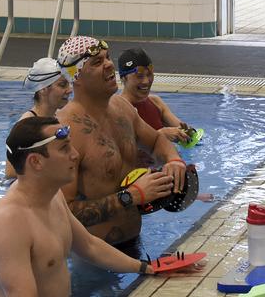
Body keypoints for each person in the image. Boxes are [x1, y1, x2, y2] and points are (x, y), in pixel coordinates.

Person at [0, 117, 153, 296]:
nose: (75, 154)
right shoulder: (8, 224)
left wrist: (145, 267)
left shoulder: (53, 196)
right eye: (64, 148)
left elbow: (89, 246)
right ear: (36, 162)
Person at [54, 36, 188, 249]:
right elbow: (62, 212)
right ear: (76, 77)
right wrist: (131, 196)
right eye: (97, 62)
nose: (108, 64)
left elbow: (155, 142)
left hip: (133, 243)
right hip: (94, 259)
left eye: (107, 57)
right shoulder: (65, 131)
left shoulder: (122, 108)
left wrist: (173, 160)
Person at [5, 58, 72, 177]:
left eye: (69, 84)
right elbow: (11, 174)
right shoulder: (26, 124)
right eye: (62, 85)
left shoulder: (60, 118)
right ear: (43, 90)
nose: (69, 90)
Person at [118, 48, 192, 144]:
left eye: (149, 74)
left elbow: (181, 128)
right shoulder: (118, 109)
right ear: (124, 78)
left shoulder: (155, 102)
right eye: (139, 76)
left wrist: (188, 133)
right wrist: (160, 135)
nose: (146, 81)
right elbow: (123, 148)